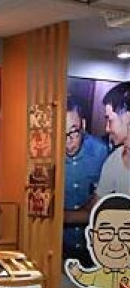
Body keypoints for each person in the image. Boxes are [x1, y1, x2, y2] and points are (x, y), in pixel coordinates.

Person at [63, 97, 108, 265]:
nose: (68, 141)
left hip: (94, 250)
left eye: (73, 132)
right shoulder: (46, 153)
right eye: (61, 133)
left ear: (83, 124)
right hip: (60, 249)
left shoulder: (101, 152)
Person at [67, 194, 130, 288]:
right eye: (106, 233)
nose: (116, 245)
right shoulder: (98, 274)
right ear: (91, 237)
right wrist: (78, 274)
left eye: (126, 234)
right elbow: (86, 278)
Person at [95, 82, 130, 197]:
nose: (107, 129)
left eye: (110, 120)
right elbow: (99, 201)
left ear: (127, 117)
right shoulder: (114, 159)